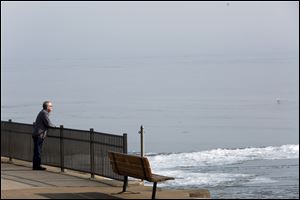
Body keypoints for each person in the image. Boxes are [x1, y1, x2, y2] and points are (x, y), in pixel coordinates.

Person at [32, 101, 55, 170]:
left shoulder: (43, 112)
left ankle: (36, 166)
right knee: (38, 151)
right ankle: (37, 166)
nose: (52, 107)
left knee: (37, 151)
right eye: (51, 106)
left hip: (37, 134)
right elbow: (48, 123)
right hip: (39, 135)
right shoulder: (44, 113)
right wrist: (54, 126)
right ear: (47, 107)